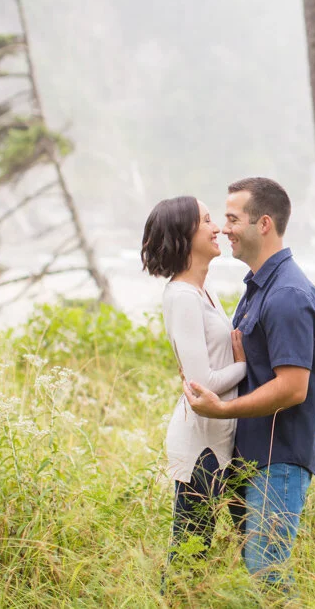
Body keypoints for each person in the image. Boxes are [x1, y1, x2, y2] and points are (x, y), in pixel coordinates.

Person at [184, 177, 315, 590]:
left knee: (268, 573)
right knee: (259, 572)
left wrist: (223, 409)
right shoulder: (258, 288)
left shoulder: (287, 294)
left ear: (263, 224)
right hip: (252, 457)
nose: (223, 228)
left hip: (278, 459)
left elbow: (293, 387)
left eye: (232, 219)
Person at [140, 196, 246, 560]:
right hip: (201, 447)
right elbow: (203, 384)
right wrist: (246, 365)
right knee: (189, 557)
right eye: (206, 221)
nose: (217, 228)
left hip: (221, 440)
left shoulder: (204, 289)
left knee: (241, 546)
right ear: (184, 234)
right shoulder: (183, 296)